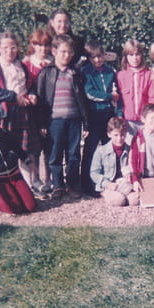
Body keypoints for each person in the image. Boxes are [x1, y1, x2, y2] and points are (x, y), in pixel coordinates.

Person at [0, 32, 43, 198]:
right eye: (5, 48)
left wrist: (32, 94)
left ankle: (29, 185)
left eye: (13, 47)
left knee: (25, 149)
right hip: (4, 114)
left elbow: (29, 85)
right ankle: (4, 188)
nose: (9, 51)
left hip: (23, 112)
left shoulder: (21, 66)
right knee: (5, 151)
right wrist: (14, 97)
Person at [36, 34, 89, 200]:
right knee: (55, 154)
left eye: (70, 52)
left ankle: (72, 184)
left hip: (74, 120)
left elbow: (83, 100)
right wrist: (42, 123)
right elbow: (41, 99)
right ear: (54, 51)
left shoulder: (75, 73)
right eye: (63, 52)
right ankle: (58, 185)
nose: (67, 55)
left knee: (73, 154)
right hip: (54, 121)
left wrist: (85, 122)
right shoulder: (46, 73)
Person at [80, 40, 120, 196]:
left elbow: (116, 91)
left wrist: (115, 104)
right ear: (89, 58)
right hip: (94, 114)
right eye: (94, 57)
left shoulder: (110, 71)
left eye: (100, 56)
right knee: (90, 149)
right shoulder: (86, 72)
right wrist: (109, 96)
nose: (97, 60)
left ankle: (108, 181)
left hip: (108, 114)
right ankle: (86, 184)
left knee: (108, 148)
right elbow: (90, 93)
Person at [22, 29, 54, 195]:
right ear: (33, 45)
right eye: (39, 45)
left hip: (50, 109)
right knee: (33, 148)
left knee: (50, 146)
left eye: (46, 45)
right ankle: (35, 179)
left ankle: (50, 179)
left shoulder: (53, 62)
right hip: (31, 110)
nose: (43, 49)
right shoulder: (26, 64)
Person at [90, 117, 139, 206]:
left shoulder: (130, 150)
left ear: (126, 134)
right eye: (116, 135)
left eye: (122, 135)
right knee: (119, 201)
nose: (119, 138)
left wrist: (131, 176)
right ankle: (105, 194)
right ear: (109, 134)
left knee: (134, 200)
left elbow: (135, 168)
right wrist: (107, 184)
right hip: (109, 184)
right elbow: (94, 173)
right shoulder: (101, 151)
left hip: (125, 184)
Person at [117, 39, 154, 140]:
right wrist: (120, 116)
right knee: (129, 146)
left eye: (137, 54)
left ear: (141, 55)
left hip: (144, 120)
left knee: (145, 145)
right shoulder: (120, 75)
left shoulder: (148, 74)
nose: (134, 58)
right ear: (126, 56)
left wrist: (149, 117)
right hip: (128, 121)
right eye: (131, 55)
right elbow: (119, 100)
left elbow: (152, 97)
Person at [129, 104, 154, 194]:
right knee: (134, 199)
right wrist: (135, 180)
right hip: (142, 178)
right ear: (143, 119)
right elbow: (132, 161)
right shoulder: (137, 138)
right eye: (151, 118)